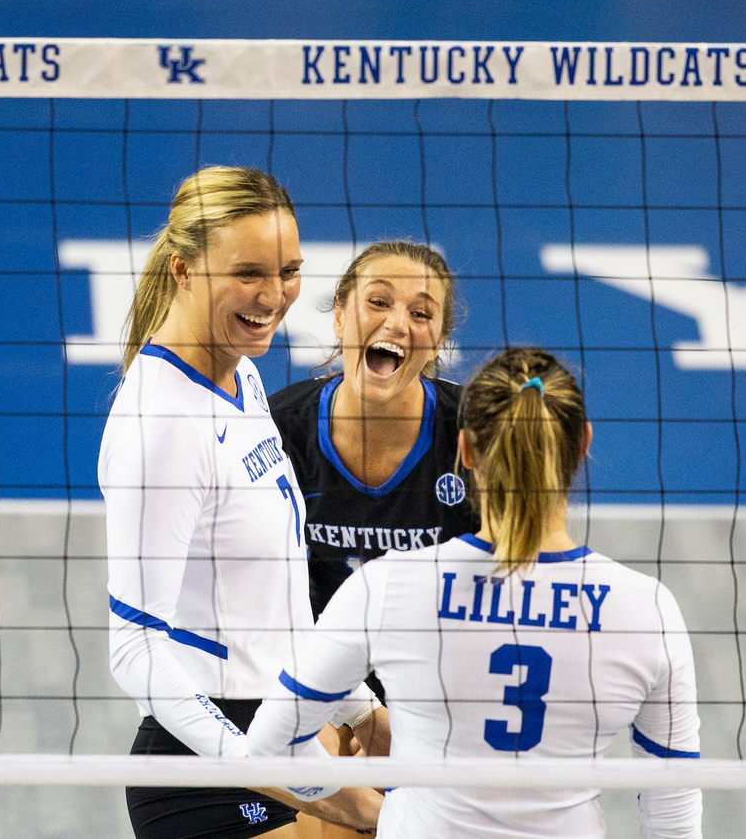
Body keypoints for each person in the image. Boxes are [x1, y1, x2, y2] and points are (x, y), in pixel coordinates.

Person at [248, 347, 704, 839]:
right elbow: (671, 807)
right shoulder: (645, 608)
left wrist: (371, 809)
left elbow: (269, 750)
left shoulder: (386, 589)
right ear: (582, 444)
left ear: (464, 451)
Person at [99, 166, 386, 839]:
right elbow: (134, 649)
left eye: (289, 270)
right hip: (209, 768)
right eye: (249, 272)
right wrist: (259, 762)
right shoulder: (163, 423)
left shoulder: (242, 375)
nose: (275, 295)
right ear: (184, 271)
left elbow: (267, 604)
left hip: (281, 730)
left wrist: (354, 705)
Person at [268, 240, 478, 624]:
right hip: (310, 670)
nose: (397, 323)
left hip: (436, 670)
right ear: (339, 317)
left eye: (420, 313)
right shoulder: (278, 429)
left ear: (437, 345)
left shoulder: (477, 431)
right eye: (378, 302)